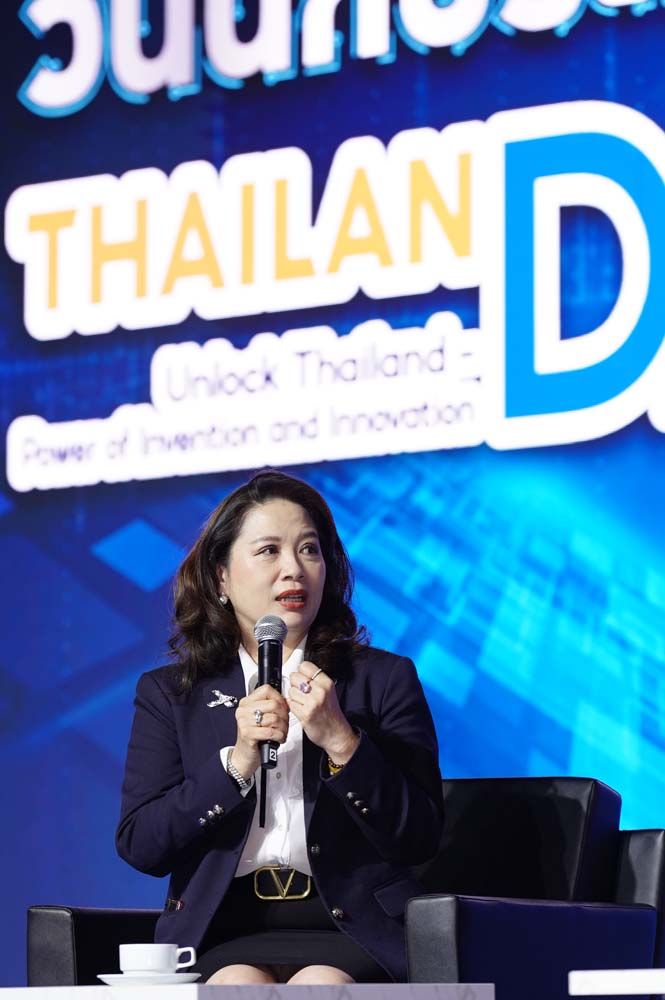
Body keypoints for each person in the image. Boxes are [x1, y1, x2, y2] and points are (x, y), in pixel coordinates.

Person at [116, 469, 444, 985]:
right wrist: (236, 765)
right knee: (235, 987)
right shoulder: (172, 693)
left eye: (309, 550)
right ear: (221, 577)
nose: (293, 569)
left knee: (321, 987)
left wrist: (342, 741)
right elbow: (142, 844)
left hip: (354, 926)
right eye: (268, 550)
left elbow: (419, 837)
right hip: (225, 924)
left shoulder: (382, 679)